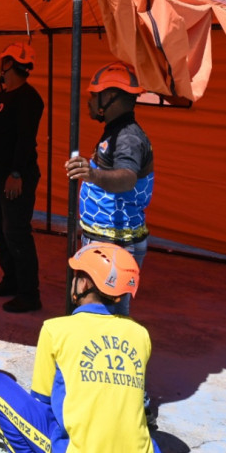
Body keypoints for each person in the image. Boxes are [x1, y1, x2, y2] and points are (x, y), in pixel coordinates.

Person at [0, 242, 160, 453]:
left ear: (83, 285)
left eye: (76, 276)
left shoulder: (55, 329)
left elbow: (42, 402)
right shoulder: (140, 334)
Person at [65, 61, 153, 316]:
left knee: (105, 311)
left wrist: (91, 174)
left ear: (111, 97)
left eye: (95, 95)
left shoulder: (127, 137)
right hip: (107, 238)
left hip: (114, 242)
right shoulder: (115, 132)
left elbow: (127, 178)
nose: (90, 101)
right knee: (95, 306)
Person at [0, 42, 45, 313]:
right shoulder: (4, 95)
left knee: (16, 232)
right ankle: (11, 280)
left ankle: (29, 294)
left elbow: (25, 140)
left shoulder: (29, 98)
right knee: (0, 228)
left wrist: (16, 174)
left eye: (3, 61)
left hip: (15, 177)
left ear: (10, 64)